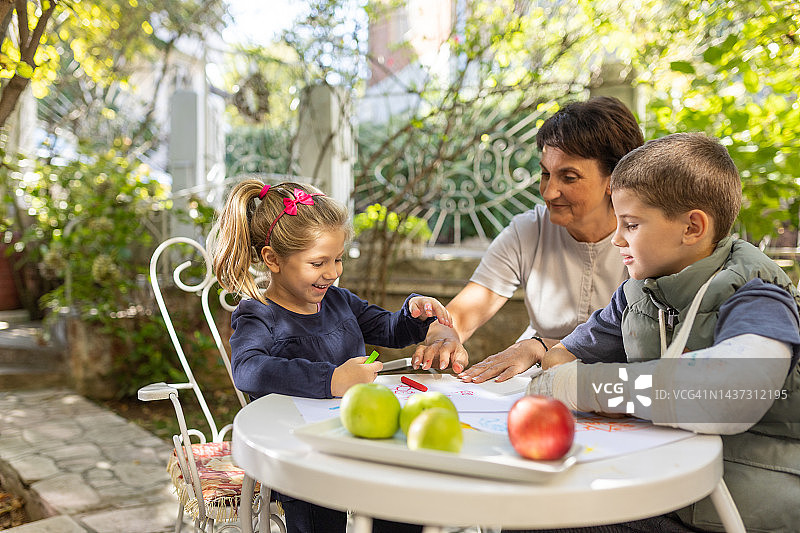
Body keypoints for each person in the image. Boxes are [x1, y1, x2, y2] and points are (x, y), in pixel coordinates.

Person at [513, 133, 800, 533]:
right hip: (664, 491)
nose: (617, 238)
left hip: (735, 511)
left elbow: (732, 394)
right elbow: (561, 361)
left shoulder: (757, 295)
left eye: (631, 224)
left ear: (692, 227)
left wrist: (596, 389)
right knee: (529, 514)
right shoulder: (637, 293)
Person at [211, 180, 452, 533]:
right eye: (318, 262)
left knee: (402, 492)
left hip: (357, 439)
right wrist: (332, 380)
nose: (333, 272)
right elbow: (248, 370)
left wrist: (413, 314)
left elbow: (390, 330)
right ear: (273, 259)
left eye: (337, 259)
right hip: (299, 453)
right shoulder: (258, 314)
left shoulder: (339, 301)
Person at [412, 96, 644, 381]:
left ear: (615, 179)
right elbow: (461, 314)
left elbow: (647, 344)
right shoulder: (528, 231)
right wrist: (444, 337)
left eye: (569, 177)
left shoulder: (647, 240)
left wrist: (541, 347)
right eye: (546, 173)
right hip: (535, 385)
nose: (548, 192)